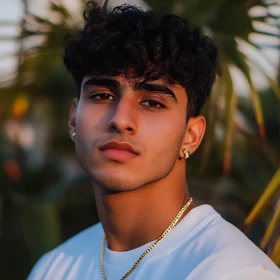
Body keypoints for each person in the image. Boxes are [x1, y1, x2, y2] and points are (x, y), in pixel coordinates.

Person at [27, 1, 280, 280]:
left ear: (191, 135)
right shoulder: (53, 268)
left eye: (152, 102)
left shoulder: (232, 271)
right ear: (74, 118)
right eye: (102, 96)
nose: (121, 119)